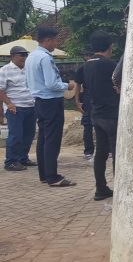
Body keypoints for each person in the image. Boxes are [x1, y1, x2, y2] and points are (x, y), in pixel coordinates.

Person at [25, 27, 76, 187]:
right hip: (50, 101)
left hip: (39, 101)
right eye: (55, 40)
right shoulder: (45, 58)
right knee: (52, 140)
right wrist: (68, 86)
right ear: (47, 40)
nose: (56, 43)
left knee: (43, 139)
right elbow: (52, 83)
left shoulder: (31, 57)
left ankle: (44, 174)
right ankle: (53, 177)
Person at [77, 30, 119, 201]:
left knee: (101, 152)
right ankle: (122, 187)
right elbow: (119, 86)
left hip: (96, 113)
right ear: (110, 47)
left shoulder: (86, 65)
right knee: (117, 152)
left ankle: (100, 188)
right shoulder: (110, 65)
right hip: (111, 114)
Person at [0, 46, 37, 171]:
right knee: (16, 135)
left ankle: (23, 158)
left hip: (31, 106)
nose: (24, 57)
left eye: (25, 55)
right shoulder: (5, 70)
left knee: (29, 135)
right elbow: (1, 89)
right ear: (12, 56)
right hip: (15, 108)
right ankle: (10, 161)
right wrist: (9, 104)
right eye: (21, 55)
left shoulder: (29, 69)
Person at [74, 48, 95, 160]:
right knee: (87, 125)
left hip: (99, 96)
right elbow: (78, 85)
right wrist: (77, 101)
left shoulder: (100, 66)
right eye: (86, 55)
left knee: (102, 123)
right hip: (87, 97)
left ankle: (109, 149)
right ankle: (88, 151)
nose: (88, 57)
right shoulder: (82, 69)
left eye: (90, 54)